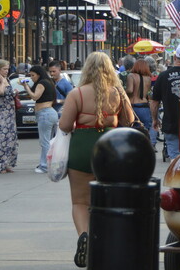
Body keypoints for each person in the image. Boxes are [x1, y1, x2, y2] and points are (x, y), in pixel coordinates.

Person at [58, 52, 134, 268]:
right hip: (110, 148)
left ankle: (84, 235)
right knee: (108, 199)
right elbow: (129, 122)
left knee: (81, 201)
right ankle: (105, 241)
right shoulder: (117, 92)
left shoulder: (76, 93)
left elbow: (64, 126)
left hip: (82, 147)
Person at [21, 65, 58, 174]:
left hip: (45, 114)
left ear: (39, 74)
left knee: (45, 142)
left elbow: (35, 97)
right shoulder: (48, 82)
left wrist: (26, 87)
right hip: (49, 113)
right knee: (49, 141)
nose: (31, 77)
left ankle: (44, 166)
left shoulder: (42, 83)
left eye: (33, 75)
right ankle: (48, 163)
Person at [127, 59, 153, 136]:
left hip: (134, 107)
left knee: (132, 132)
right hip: (145, 107)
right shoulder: (148, 78)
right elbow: (148, 92)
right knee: (144, 132)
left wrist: (123, 93)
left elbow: (130, 90)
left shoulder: (131, 76)